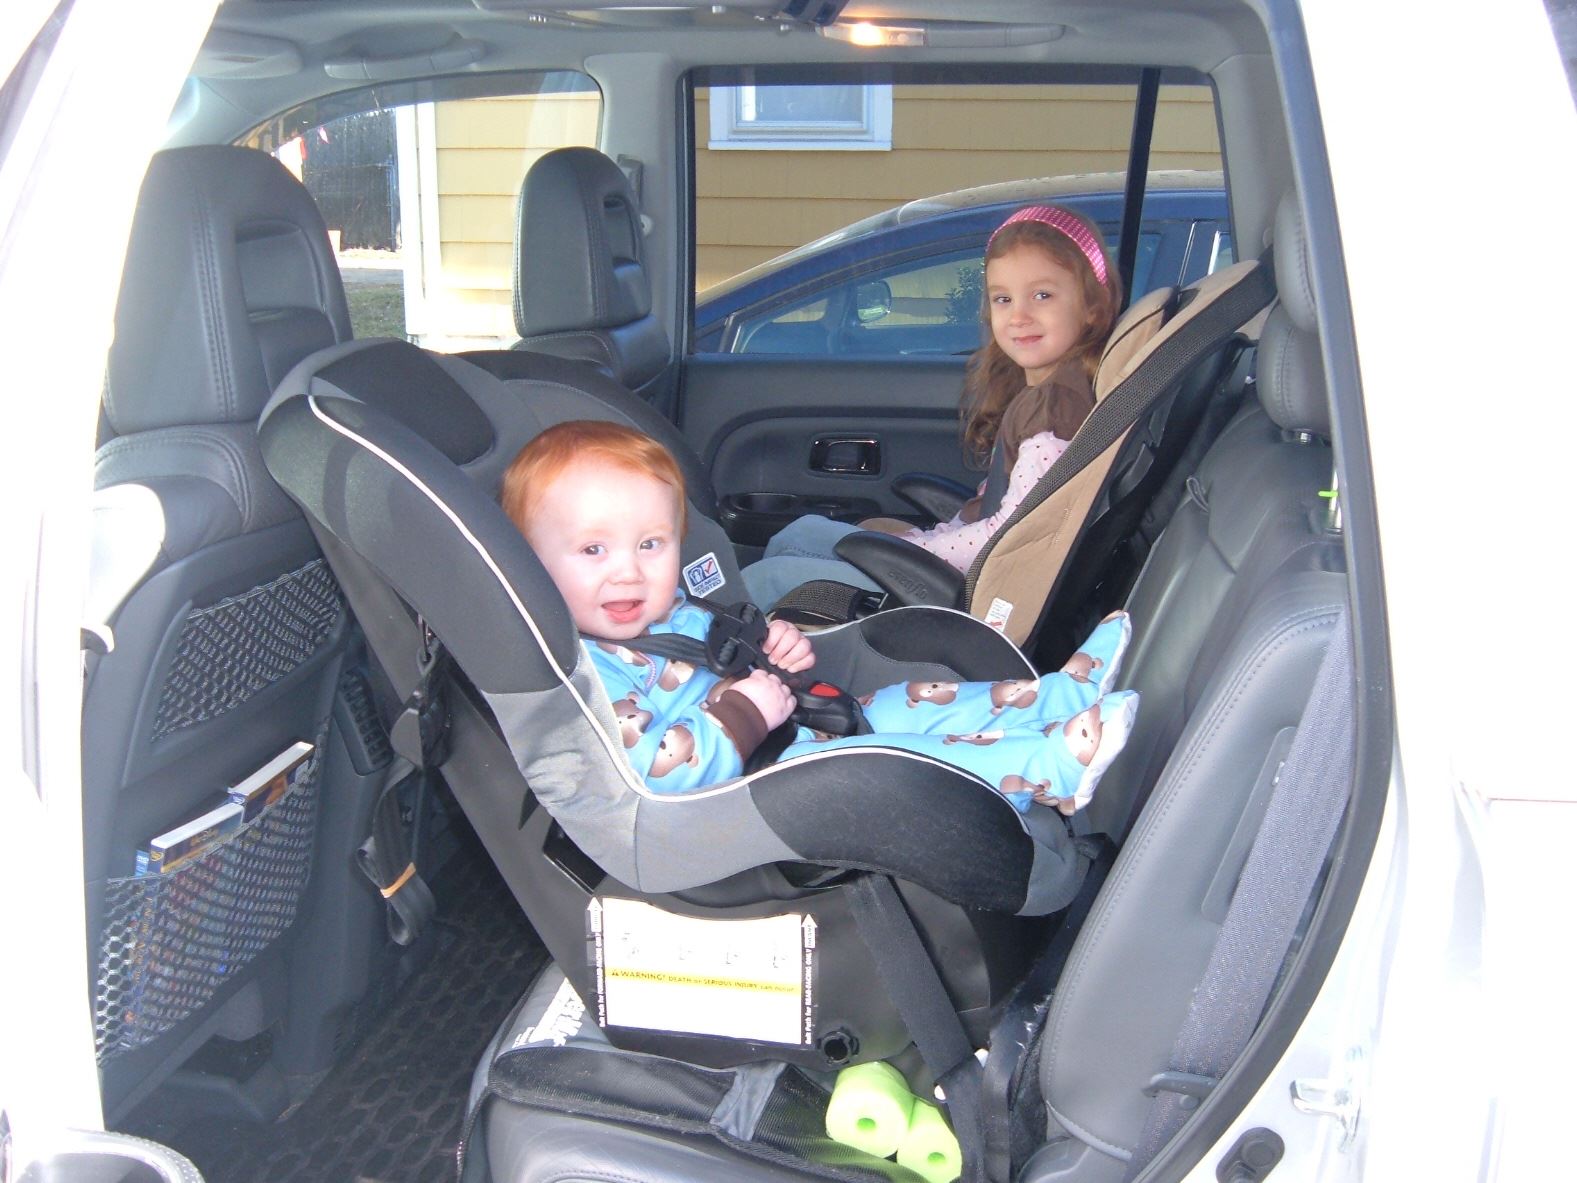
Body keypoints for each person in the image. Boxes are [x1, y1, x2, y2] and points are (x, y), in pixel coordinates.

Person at [501, 419, 1138, 815]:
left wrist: (773, 651)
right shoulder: (588, 678)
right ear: (532, 565)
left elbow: (724, 656)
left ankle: (1050, 695)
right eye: (592, 550)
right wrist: (746, 710)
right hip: (755, 794)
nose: (628, 572)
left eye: (650, 544)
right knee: (900, 752)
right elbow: (659, 774)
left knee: (909, 701)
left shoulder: (669, 618)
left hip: (795, 734)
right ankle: (1049, 768)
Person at [741, 203, 1123, 609]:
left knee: (764, 581)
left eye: (1042, 295)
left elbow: (1008, 540)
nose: (1019, 316)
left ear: (1092, 307)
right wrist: (925, 536)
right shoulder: (1042, 391)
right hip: (949, 560)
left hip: (950, 589)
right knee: (797, 534)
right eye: (1003, 299)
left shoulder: (1055, 411)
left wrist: (918, 544)